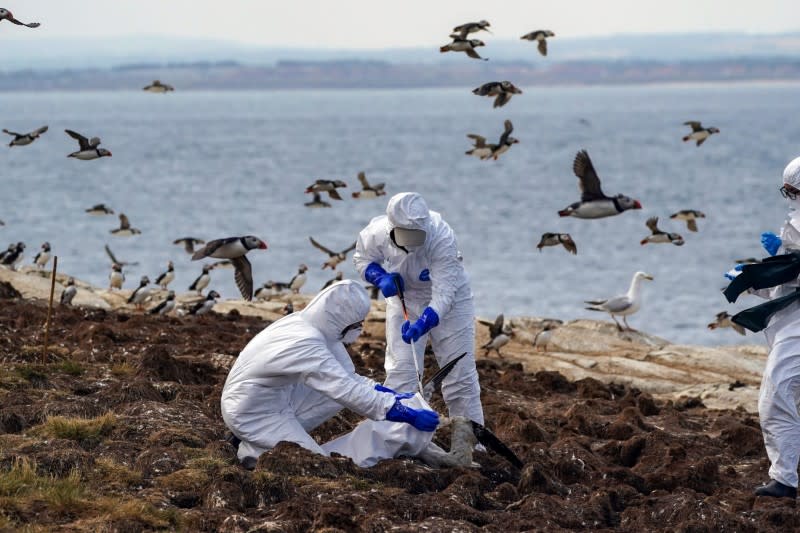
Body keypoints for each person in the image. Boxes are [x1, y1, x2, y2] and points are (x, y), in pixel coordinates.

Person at [220, 280, 439, 468]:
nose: (360, 329)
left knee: (333, 396)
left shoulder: (316, 327)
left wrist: (389, 394)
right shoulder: (305, 343)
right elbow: (345, 389)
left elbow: (348, 377)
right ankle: (253, 449)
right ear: (341, 320)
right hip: (251, 412)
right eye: (357, 324)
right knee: (314, 464)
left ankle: (253, 447)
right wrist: (403, 412)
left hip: (274, 397)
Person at [353, 192, 485, 425]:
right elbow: (362, 259)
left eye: (417, 236)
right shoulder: (376, 232)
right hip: (404, 298)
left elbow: (444, 293)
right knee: (401, 372)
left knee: (460, 375)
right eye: (406, 235)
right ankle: (394, 437)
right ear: (392, 228)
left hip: (452, 302)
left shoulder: (441, 236)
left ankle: (471, 440)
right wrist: (380, 277)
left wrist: (424, 322)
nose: (412, 242)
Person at [734, 156, 800, 499]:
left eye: (792, 190)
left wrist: (783, 263)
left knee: (775, 398)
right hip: (791, 325)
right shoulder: (795, 224)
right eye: (786, 191)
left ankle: (785, 481)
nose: (789, 197)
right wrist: (751, 279)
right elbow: (787, 284)